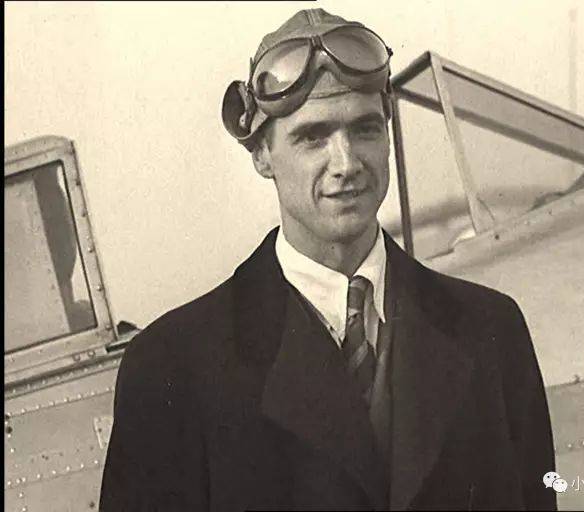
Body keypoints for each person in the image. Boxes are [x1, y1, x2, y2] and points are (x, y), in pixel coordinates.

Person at [100, 8, 557, 511]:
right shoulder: (169, 369)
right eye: (312, 137)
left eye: (364, 129)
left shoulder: (492, 330)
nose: (346, 163)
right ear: (262, 155)